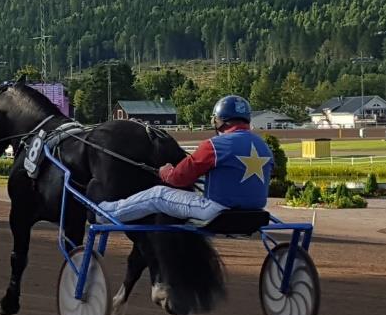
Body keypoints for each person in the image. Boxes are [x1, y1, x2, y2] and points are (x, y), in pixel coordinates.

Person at [98, 95, 274, 224]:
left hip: (216, 211)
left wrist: (165, 171)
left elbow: (179, 178)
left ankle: (105, 212)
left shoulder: (215, 145)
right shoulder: (263, 146)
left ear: (219, 121)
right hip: (256, 212)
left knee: (157, 194)